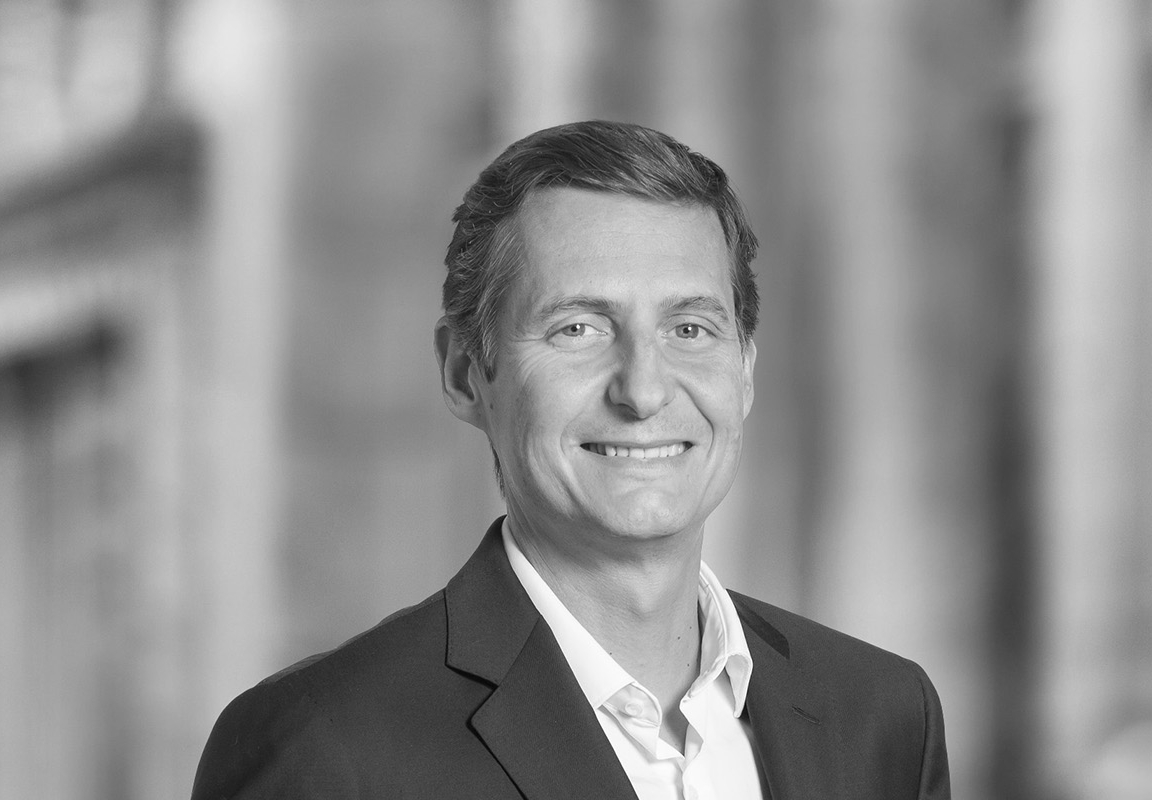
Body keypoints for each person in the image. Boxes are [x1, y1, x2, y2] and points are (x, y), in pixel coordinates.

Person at [191, 120, 950, 799]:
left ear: (744, 372)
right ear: (465, 374)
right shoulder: (327, 748)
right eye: (579, 329)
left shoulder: (881, 716)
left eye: (689, 329)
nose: (643, 390)